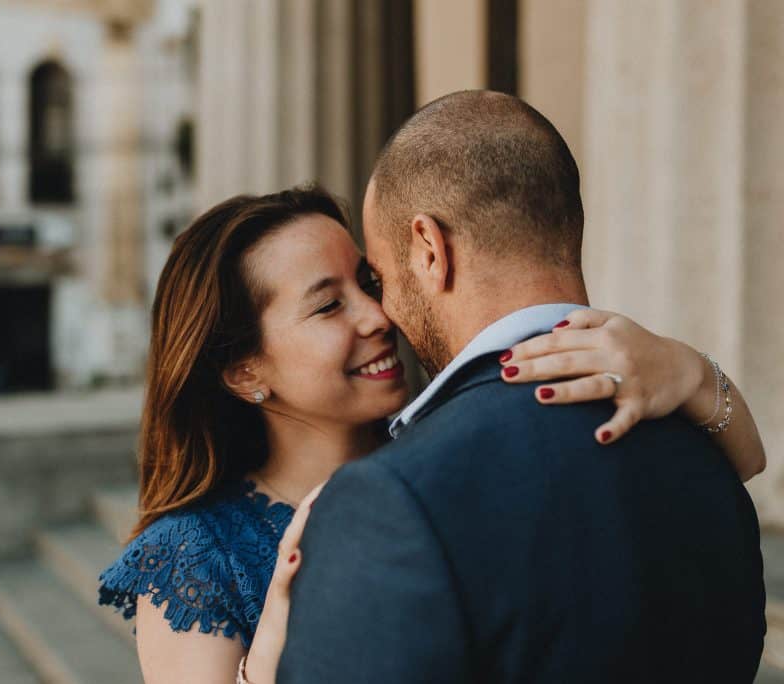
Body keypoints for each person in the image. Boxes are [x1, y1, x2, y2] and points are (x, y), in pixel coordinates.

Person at [97, 185, 766, 680]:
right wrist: (266, 661)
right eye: (329, 305)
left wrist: (690, 373)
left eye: (369, 282)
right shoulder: (192, 557)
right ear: (244, 371)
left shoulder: (450, 458)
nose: (376, 316)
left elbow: (733, 470)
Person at [275, 91, 766, 683]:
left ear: (430, 250)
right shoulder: (707, 449)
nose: (384, 315)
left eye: (380, 278)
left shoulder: (391, 501)